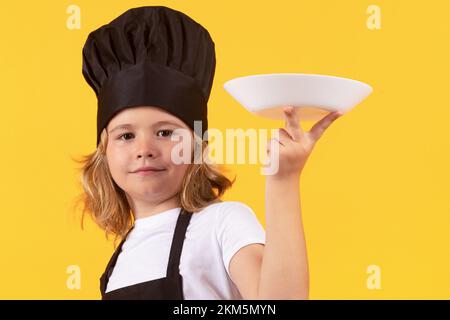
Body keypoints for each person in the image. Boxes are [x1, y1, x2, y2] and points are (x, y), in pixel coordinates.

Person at [74, 5, 343, 300]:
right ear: (105, 152)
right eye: (125, 135)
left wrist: (283, 181)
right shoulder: (121, 258)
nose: (145, 149)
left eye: (165, 132)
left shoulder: (221, 223)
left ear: (198, 146)